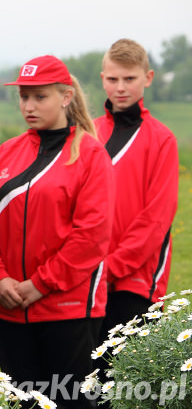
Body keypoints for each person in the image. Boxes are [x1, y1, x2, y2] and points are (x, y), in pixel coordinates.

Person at [0, 55, 113, 408]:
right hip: (9, 306)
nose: (29, 106)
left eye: (41, 97)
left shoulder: (90, 154)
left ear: (66, 96)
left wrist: (39, 285)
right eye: (24, 97)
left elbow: (90, 237)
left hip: (67, 310)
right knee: (25, 403)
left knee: (69, 402)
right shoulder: (7, 152)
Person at [94, 39, 178, 341]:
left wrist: (111, 268)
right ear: (103, 78)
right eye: (113, 79)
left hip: (136, 282)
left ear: (148, 78)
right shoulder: (89, 133)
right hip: (87, 278)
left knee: (128, 383)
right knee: (86, 380)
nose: (121, 87)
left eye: (129, 79)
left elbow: (156, 220)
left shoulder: (162, 140)